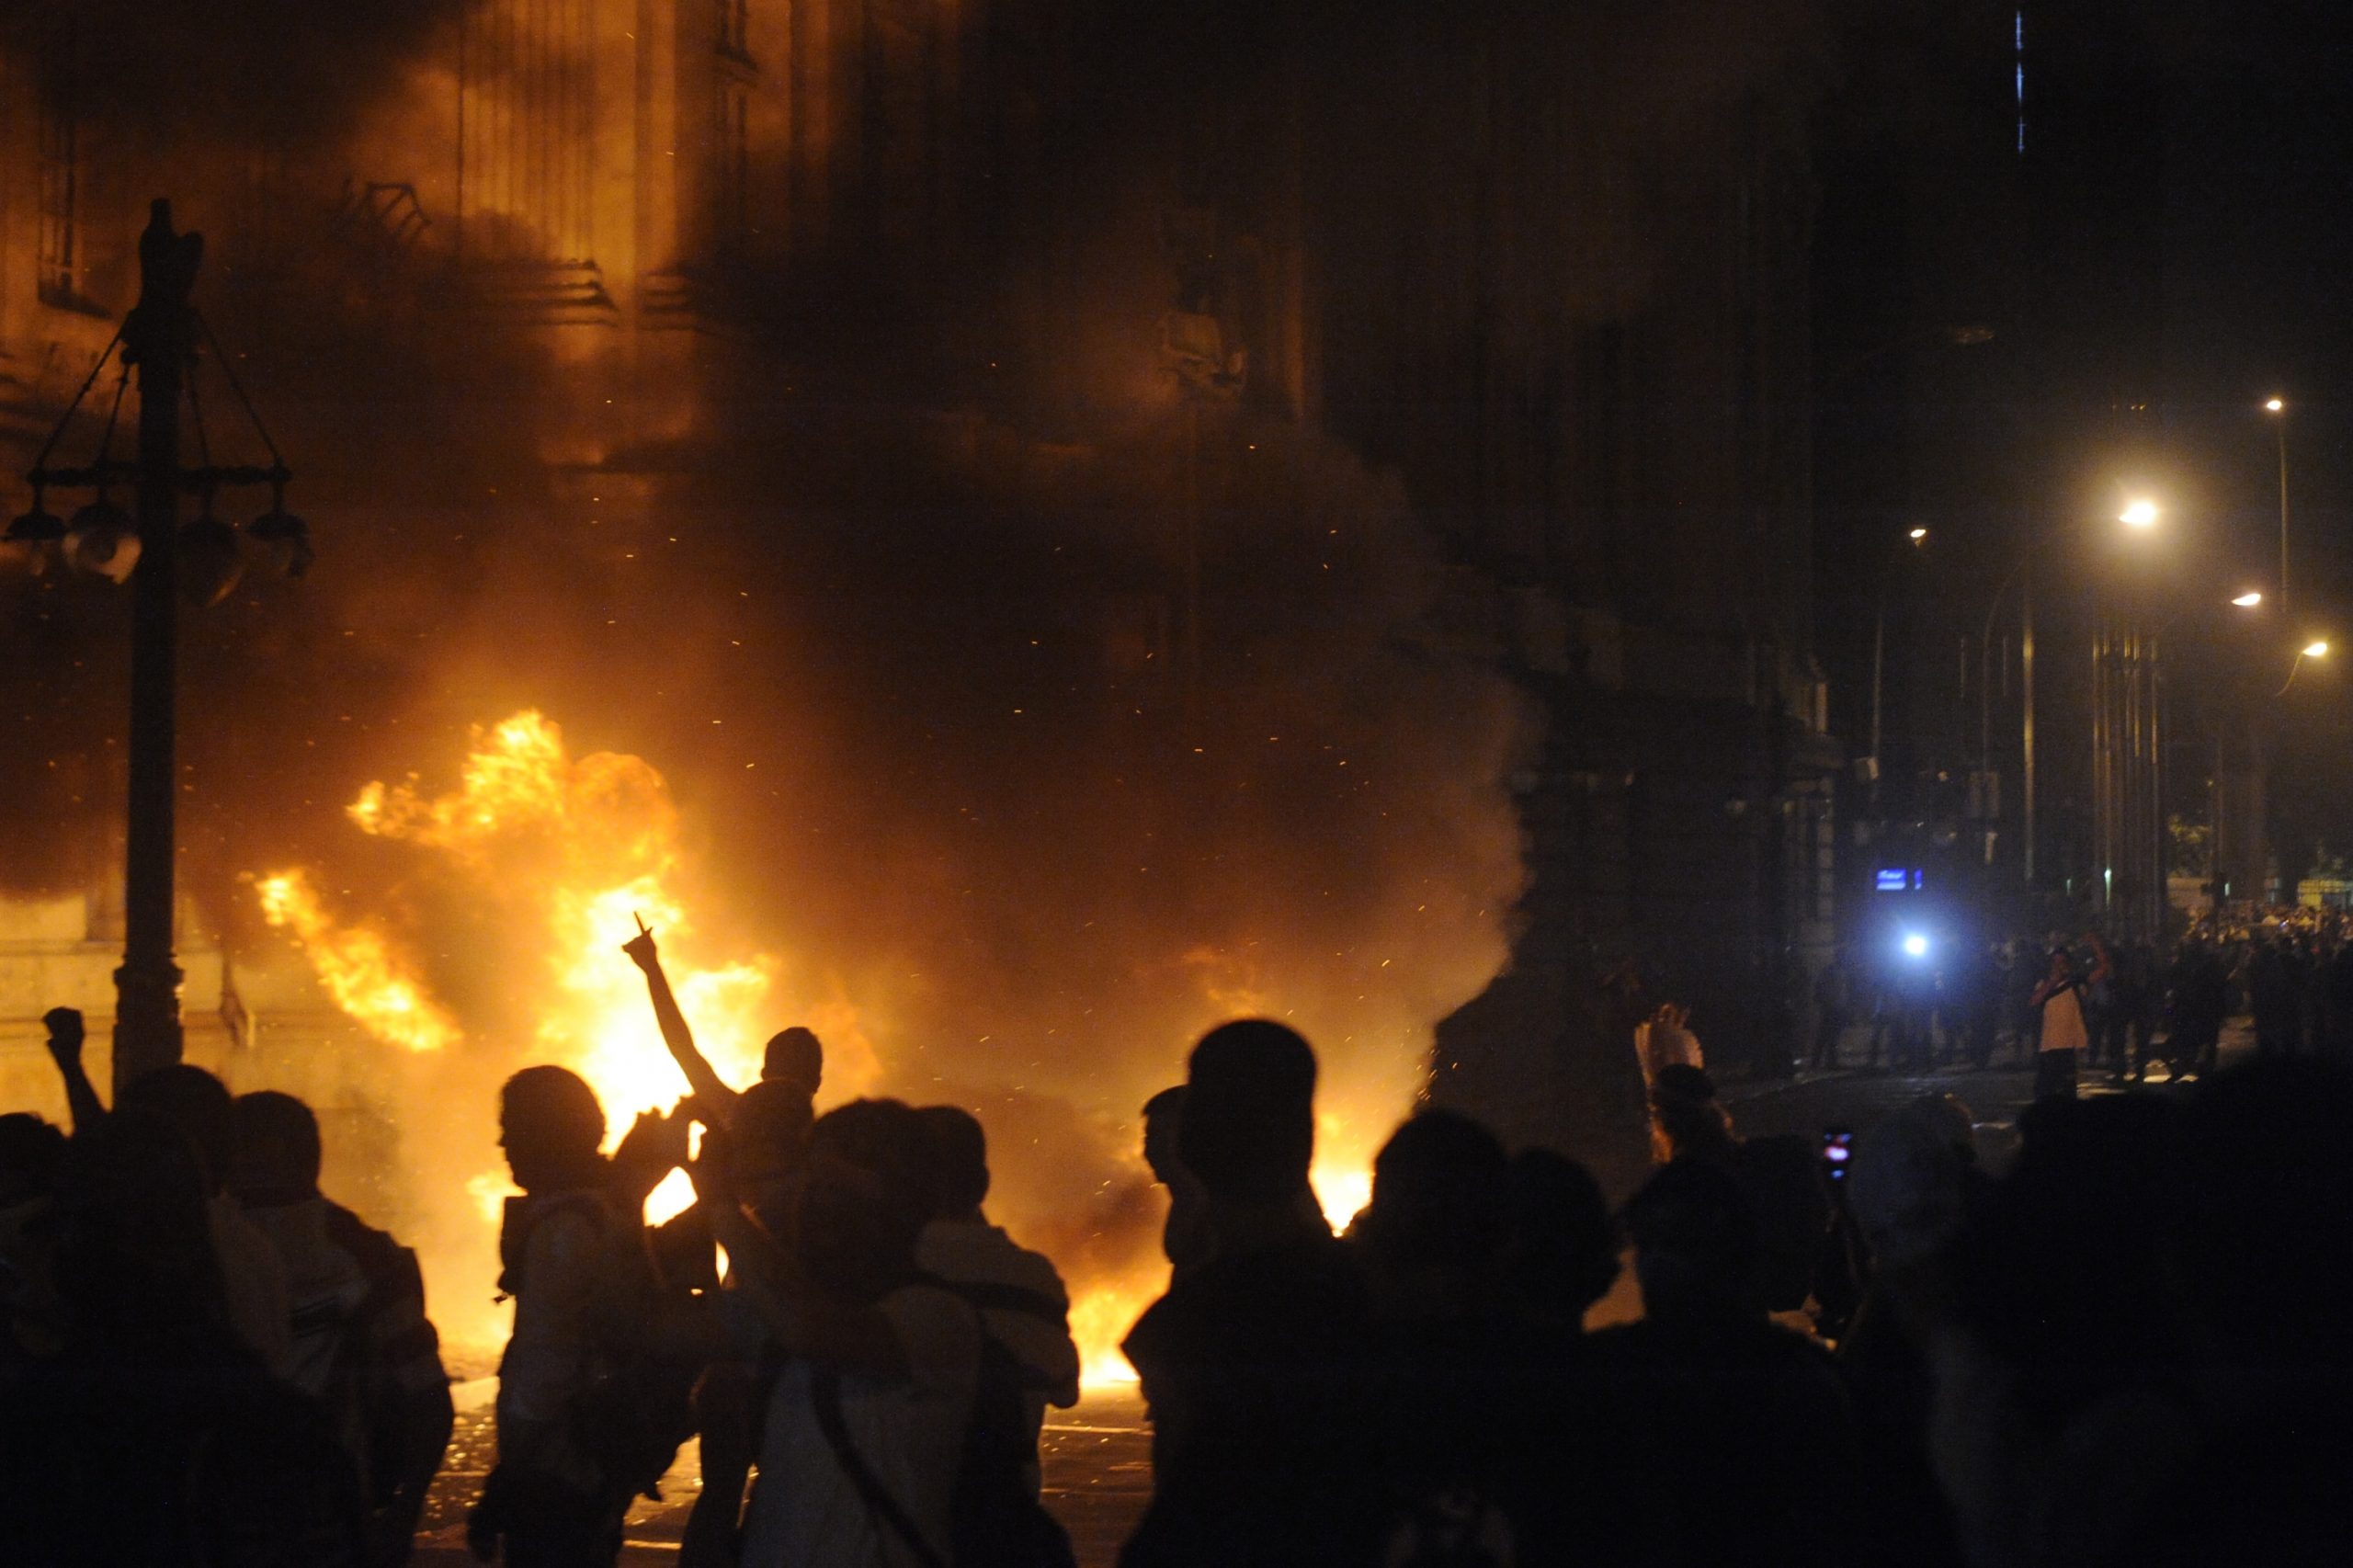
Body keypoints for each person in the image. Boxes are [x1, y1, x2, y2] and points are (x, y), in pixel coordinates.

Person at [1120, 1020, 1381, 1568]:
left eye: (1161, 1139)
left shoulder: (1216, 1327)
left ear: (1193, 1142)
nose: (1149, 1154)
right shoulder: (1362, 1304)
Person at [712, 1098, 983, 1568]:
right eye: (811, 1189)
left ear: (901, 1203)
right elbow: (649, 1331)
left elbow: (809, 1328)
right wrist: (629, 1189)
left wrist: (722, 1208)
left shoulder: (939, 1316)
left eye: (837, 1193)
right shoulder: (785, 1307)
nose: (814, 1209)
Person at [1594, 1159, 1862, 1568]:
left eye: (1675, 1243)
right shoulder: (1802, 1376)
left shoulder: (1608, 1375)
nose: (1659, 1263)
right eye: (1654, 1243)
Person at [232, 1091, 454, 1567]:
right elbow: (428, 1398)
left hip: (296, 1516)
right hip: (316, 1517)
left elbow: (427, 1398)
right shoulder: (362, 1253)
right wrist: (402, 1513)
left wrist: (401, 1513)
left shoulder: (357, 1257)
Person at [469, 1065, 642, 1568]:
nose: (502, 1141)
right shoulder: (603, 1212)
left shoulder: (562, 1231)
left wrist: (506, 1482)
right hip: (590, 1471)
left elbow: (545, 1375)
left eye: (513, 1125)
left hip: (555, 1480)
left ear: (546, 1136)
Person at [914, 1105, 1081, 1493]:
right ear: (983, 1185)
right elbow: (1065, 1390)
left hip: (906, 1510)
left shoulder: (882, 1269)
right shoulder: (1034, 1277)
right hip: (1006, 1510)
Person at [624, 921, 823, 1130]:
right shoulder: (833, 1151)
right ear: (816, 1081)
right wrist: (652, 969)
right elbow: (684, 1050)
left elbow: (683, 1049)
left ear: (764, 1074)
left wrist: (652, 969)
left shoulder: (738, 1117)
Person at [1140, 1086, 1212, 1279]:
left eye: (1161, 1140)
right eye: (1148, 1140)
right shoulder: (1188, 1202)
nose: (1147, 1153)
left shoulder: (1224, 1216)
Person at [2029, 937, 2107, 1102]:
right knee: (2043, 1090)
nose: (2059, 966)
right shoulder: (2045, 984)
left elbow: (2102, 969)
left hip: (2068, 1046)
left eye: (2062, 962)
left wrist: (2096, 946)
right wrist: (2053, 981)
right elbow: (2034, 1000)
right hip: (2048, 1046)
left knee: (2067, 1089)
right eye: (2055, 962)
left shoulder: (2076, 984)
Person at [1811, 952, 1850, 1072]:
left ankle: (1827, 1061)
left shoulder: (1839, 971)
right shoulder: (1830, 971)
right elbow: (1821, 988)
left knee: (1831, 1036)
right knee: (1826, 1035)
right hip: (1831, 1007)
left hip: (1836, 1007)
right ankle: (1819, 1062)